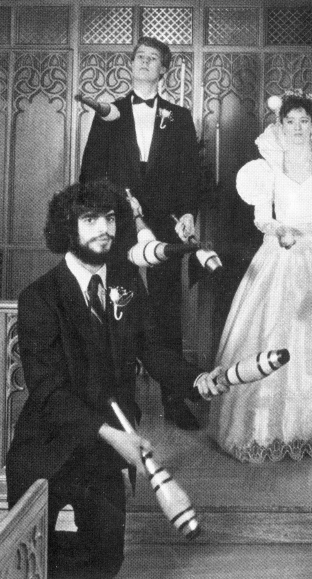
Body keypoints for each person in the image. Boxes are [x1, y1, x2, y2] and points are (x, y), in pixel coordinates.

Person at [6, 180, 225, 579]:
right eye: (90, 220)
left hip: (106, 459)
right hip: (52, 457)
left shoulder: (124, 278)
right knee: (63, 567)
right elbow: (49, 394)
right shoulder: (39, 297)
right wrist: (114, 435)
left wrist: (196, 380)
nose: (104, 228)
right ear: (67, 228)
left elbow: (150, 347)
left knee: (107, 564)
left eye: (109, 218)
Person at [208, 91, 312, 462]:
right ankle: (269, 431)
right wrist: (278, 230)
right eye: (290, 122)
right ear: (280, 125)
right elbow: (261, 218)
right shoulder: (264, 169)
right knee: (269, 331)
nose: (298, 128)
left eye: (304, 122)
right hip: (278, 252)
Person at [80, 36, 203, 430]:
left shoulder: (179, 117)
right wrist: (107, 212)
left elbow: (191, 173)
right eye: (140, 57)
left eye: (154, 58)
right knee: (118, 304)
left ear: (163, 69)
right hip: (118, 225)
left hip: (166, 225)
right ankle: (116, 404)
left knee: (167, 311)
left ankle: (175, 400)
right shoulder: (108, 113)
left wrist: (186, 213)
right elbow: (90, 172)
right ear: (131, 66)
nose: (146, 62)